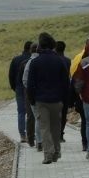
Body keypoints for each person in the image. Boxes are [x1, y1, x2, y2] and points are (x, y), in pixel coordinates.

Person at [26, 32, 68, 164]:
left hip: (41, 100)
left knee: (44, 128)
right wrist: (65, 100)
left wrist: (32, 100)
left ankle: (48, 154)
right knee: (56, 127)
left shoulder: (35, 62)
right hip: (57, 100)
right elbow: (65, 83)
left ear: (40, 46)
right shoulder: (60, 61)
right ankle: (56, 152)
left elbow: (30, 84)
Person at [8, 40, 32, 142]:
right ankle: (32, 133)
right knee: (32, 112)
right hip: (30, 89)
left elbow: (11, 75)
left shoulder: (15, 59)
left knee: (21, 112)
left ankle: (22, 135)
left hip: (19, 88)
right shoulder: (32, 60)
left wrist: (15, 87)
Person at [21, 43, 40, 149]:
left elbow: (23, 79)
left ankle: (32, 139)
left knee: (31, 116)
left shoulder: (27, 63)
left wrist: (28, 90)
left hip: (29, 93)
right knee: (40, 118)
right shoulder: (41, 62)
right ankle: (40, 140)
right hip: (43, 94)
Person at [55, 40, 72, 142]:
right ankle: (61, 133)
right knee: (64, 113)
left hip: (54, 91)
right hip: (65, 90)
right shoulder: (68, 60)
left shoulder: (54, 60)